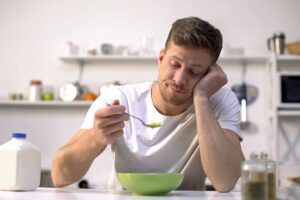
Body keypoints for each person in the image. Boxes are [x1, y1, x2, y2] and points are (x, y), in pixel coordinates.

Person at [51, 16, 245, 192]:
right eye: (175, 64)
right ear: (161, 59)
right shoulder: (119, 99)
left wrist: (201, 97)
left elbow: (225, 182)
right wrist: (95, 137)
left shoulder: (220, 100)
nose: (179, 79)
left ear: (208, 74)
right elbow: (59, 176)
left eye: (194, 72)